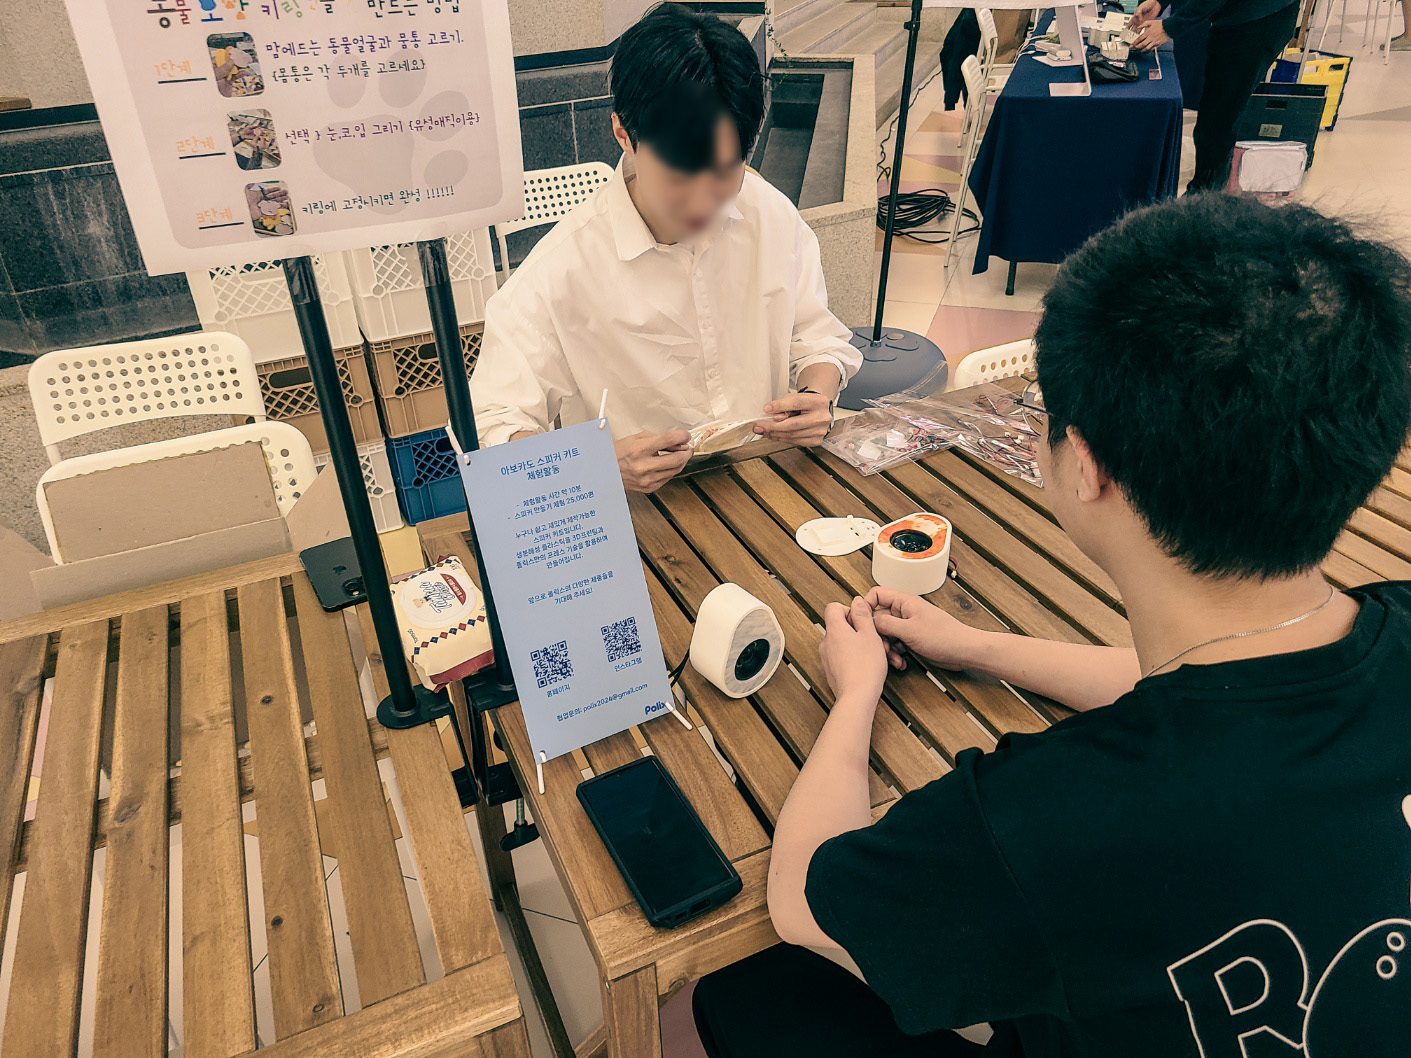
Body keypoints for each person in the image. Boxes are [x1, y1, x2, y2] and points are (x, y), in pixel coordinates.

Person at [692, 194, 1411, 1057]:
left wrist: (854, 695)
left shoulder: (1052, 817)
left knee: (748, 994)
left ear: (1089, 469)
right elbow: (1221, 698)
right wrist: (975, 645)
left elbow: (807, 900)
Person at [471, 3, 859, 493]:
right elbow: (495, 425)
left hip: (765, 478)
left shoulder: (769, 215)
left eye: (724, 172)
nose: (702, 202)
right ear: (623, 134)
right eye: (679, 175)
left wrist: (816, 396)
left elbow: (816, 337)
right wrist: (595, 464)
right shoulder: (560, 270)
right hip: (645, 509)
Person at [1130, 0, 1301, 191]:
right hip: (1240, 17)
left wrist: (1170, 27)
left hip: (1254, 22)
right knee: (1214, 118)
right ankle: (1207, 190)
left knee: (1218, 121)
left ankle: (1205, 197)